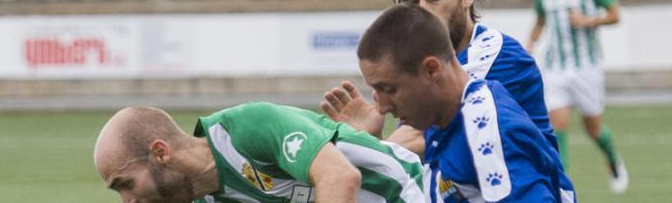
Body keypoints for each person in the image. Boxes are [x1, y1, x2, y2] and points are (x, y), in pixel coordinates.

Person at [321, 0, 556, 154]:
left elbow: (418, 140)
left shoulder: (499, 57)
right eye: (411, 2)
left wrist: (369, 148)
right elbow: (416, 164)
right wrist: (375, 139)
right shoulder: (423, 67)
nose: (423, 12)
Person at [358, 3, 575, 203]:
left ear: (431, 70)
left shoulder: (486, 133)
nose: (382, 107)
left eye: (389, 89)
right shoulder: (442, 120)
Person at [93, 103, 425, 203]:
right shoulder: (206, 198)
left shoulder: (246, 128)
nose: (127, 201)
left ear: (160, 153)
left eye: (126, 184)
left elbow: (341, 178)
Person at [527, 0, 628, 194]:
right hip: (556, 67)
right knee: (556, 125)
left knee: (593, 129)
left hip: (586, 67)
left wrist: (588, 21)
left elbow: (615, 15)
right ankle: (562, 185)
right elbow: (540, 21)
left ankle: (612, 158)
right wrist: (529, 47)